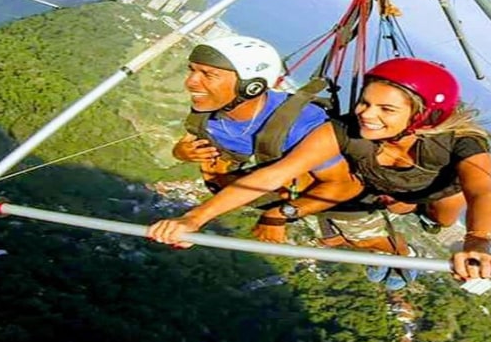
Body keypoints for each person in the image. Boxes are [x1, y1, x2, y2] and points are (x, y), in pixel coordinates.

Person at [147, 35, 362, 247]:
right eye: (191, 70)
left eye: (208, 74)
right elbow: (188, 142)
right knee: (333, 238)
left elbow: (346, 185)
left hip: (315, 194)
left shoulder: (301, 123)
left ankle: (391, 256)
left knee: (365, 240)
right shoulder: (210, 108)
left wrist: (282, 213)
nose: (190, 82)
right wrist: (181, 152)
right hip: (256, 191)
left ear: (251, 86)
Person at [320, 57, 491, 282]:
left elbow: (482, 191)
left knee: (443, 219)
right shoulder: (360, 129)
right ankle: (398, 228)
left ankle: (425, 219)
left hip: (437, 192)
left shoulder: (461, 141)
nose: (366, 114)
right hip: (389, 187)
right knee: (397, 209)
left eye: (386, 108)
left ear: (420, 115)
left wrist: (478, 243)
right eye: (365, 102)